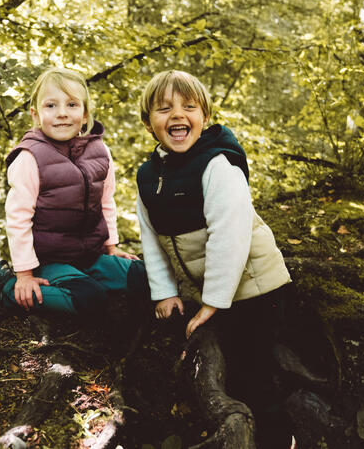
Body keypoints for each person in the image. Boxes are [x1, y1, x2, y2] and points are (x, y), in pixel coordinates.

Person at [135, 70, 295, 448]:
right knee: (228, 368)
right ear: (148, 124)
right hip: (214, 293)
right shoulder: (148, 177)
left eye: (189, 107)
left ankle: (278, 438)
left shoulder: (217, 164)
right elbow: (151, 238)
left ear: (204, 118)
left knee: (256, 371)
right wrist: (163, 293)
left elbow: (230, 237)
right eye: (164, 109)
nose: (177, 115)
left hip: (256, 288)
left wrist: (212, 303)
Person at [0, 67, 148, 317]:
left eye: (72, 105)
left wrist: (111, 247)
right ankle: (8, 289)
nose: (62, 113)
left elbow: (105, 201)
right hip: (49, 261)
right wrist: (24, 274)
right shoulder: (30, 158)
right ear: (36, 114)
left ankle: (94, 279)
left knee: (146, 277)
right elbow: (18, 219)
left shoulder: (99, 151)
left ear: (85, 115)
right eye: (51, 106)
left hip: (91, 255)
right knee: (90, 299)